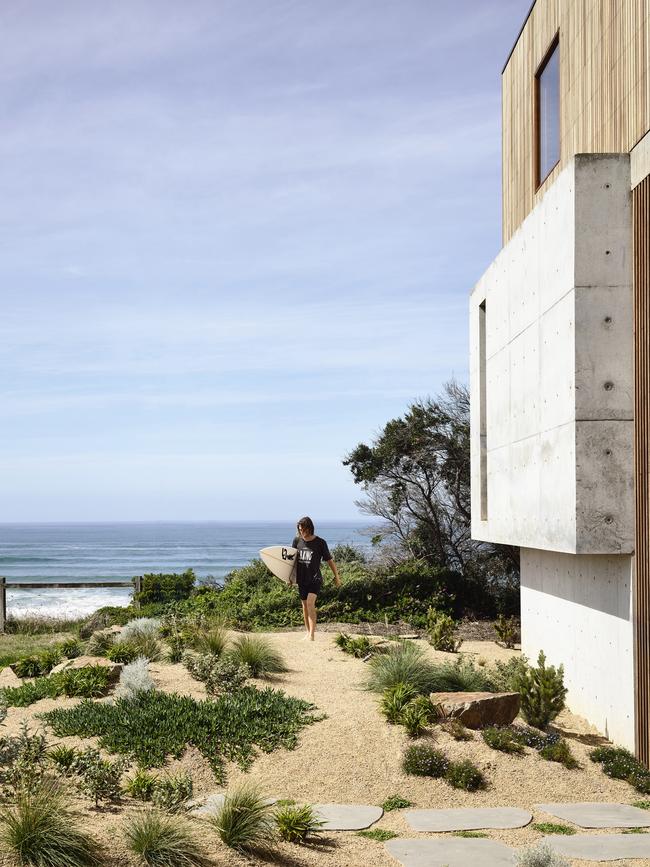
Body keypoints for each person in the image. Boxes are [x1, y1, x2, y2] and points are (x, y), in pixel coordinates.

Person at [291, 516, 341, 641]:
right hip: (301, 579)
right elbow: (291, 562)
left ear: (309, 528)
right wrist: (289, 578)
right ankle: (307, 632)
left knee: (310, 603)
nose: (301, 532)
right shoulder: (297, 541)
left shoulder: (320, 542)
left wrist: (337, 577)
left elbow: (329, 560)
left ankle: (312, 635)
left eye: (303, 529)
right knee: (304, 606)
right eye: (299, 529)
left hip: (315, 579)